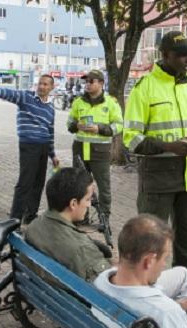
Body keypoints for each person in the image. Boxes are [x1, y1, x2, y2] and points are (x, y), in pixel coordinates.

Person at [122, 31, 187, 272]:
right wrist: (169, 147)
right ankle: (143, 295)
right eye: (181, 55)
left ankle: (185, 295)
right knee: (148, 243)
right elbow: (131, 138)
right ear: (165, 55)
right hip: (158, 181)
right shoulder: (145, 87)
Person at [25, 167, 187, 300]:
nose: (90, 204)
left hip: (59, 299)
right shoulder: (81, 250)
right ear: (73, 203)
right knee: (184, 275)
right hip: (112, 306)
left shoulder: (36, 225)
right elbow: (112, 285)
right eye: (88, 199)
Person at [0, 75, 60, 225]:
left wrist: (52, 155)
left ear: (51, 87)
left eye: (45, 84)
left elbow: (50, 132)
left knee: (38, 183)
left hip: (43, 147)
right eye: (40, 83)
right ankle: (15, 220)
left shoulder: (50, 108)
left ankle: (30, 215)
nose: (41, 86)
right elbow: (10, 94)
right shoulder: (26, 97)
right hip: (29, 146)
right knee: (25, 183)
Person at [67, 69, 122, 225]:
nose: (87, 84)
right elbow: (69, 124)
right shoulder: (78, 102)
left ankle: (104, 220)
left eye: (91, 81)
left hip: (100, 152)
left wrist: (100, 129)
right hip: (79, 150)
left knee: (104, 188)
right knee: (79, 187)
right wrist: (76, 125)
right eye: (86, 81)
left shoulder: (111, 103)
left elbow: (119, 126)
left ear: (101, 83)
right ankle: (80, 218)